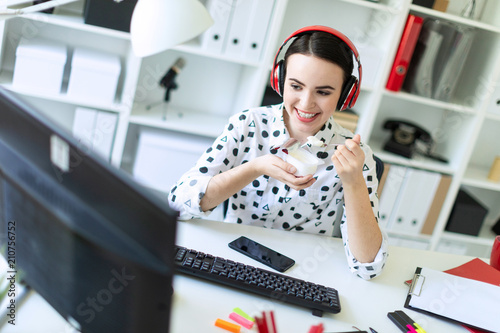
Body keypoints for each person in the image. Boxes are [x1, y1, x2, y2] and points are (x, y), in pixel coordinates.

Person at [169, 26, 388, 280]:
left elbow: (368, 267)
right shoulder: (248, 125)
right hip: (233, 263)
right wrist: (254, 168)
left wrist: (354, 184)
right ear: (280, 79)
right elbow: (178, 204)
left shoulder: (355, 154)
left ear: (345, 94)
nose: (306, 104)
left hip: (302, 274)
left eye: (324, 92)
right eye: (296, 86)